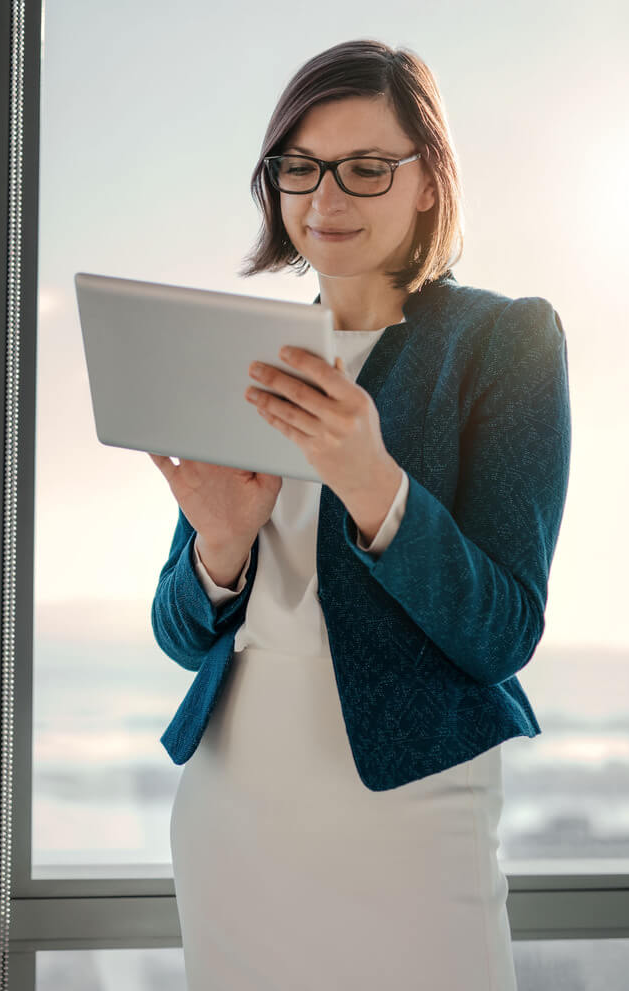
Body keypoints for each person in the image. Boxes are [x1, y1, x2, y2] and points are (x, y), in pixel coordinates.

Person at [146, 39, 572, 990]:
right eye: (298, 167)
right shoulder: (246, 348)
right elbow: (180, 635)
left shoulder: (504, 343)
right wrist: (219, 548)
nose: (325, 198)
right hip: (234, 804)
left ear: (428, 183)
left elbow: (503, 629)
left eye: (365, 168)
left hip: (410, 811)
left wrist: (372, 481)